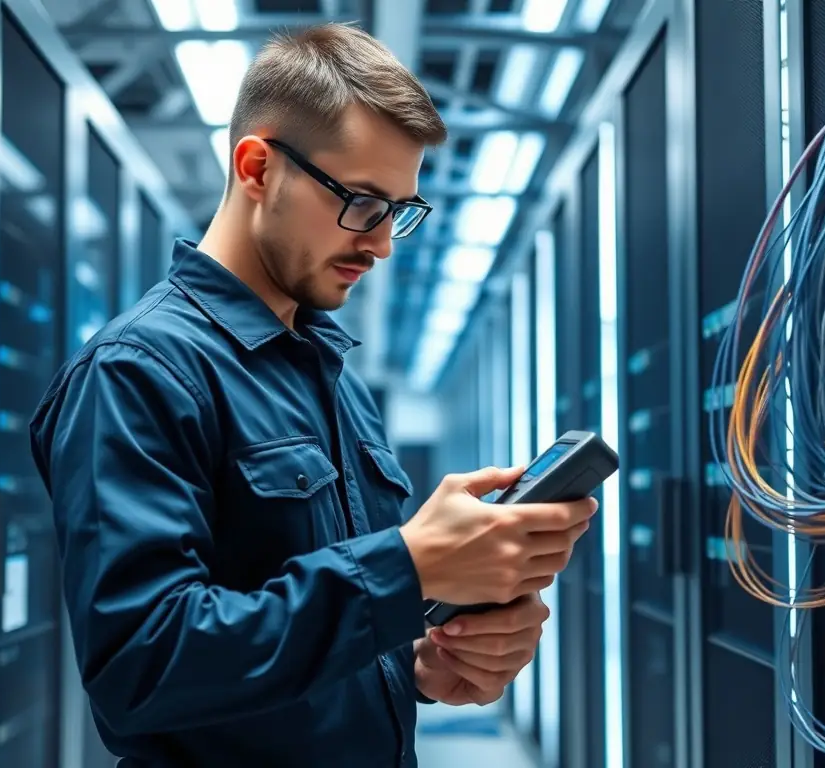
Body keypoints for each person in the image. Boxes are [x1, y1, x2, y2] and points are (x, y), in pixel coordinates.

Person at [29, 21, 597, 768]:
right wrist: (409, 568)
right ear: (258, 166)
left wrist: (422, 667)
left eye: (399, 211)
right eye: (362, 202)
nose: (383, 242)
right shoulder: (139, 372)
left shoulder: (330, 372)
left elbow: (315, 645)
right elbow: (143, 664)